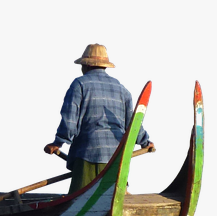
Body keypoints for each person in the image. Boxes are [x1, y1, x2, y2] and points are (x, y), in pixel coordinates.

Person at [44, 44, 154, 193]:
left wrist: (58, 143)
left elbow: (70, 122)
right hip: (117, 157)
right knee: (115, 196)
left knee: (80, 199)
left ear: (85, 65)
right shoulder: (122, 90)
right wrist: (145, 142)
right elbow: (133, 124)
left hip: (88, 153)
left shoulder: (79, 84)